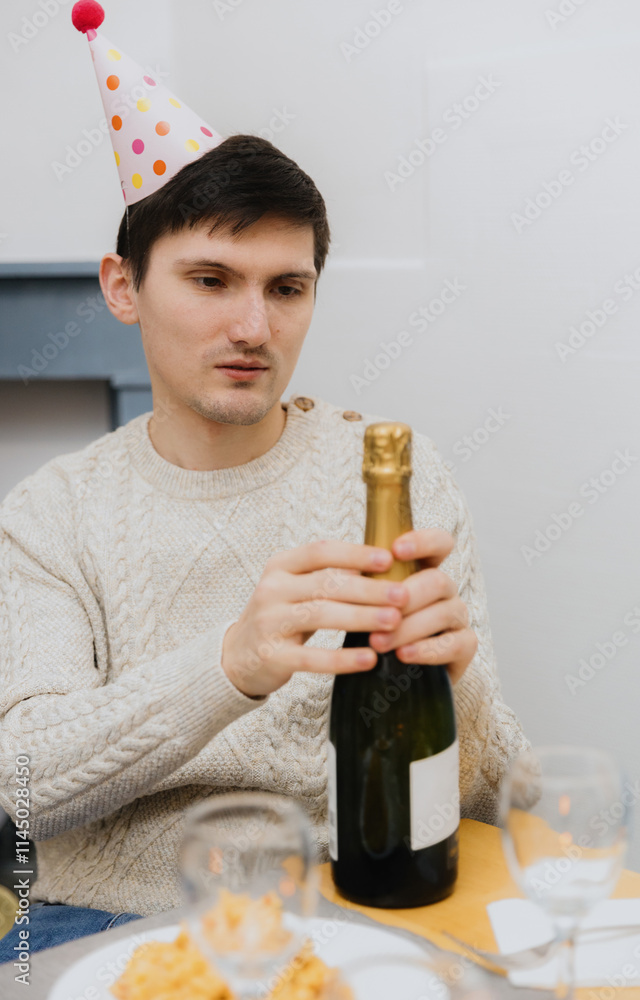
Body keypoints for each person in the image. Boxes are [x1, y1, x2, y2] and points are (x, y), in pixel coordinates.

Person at [0, 3, 530, 963]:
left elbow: (498, 798)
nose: (254, 328)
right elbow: (19, 786)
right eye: (211, 280)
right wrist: (231, 663)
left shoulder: (396, 477)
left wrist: (461, 693)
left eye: (286, 288)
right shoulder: (48, 515)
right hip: (105, 922)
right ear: (123, 286)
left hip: (351, 902)